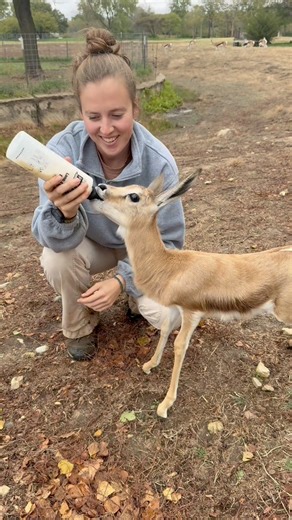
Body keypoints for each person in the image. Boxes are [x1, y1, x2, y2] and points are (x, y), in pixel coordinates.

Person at [32, 28, 185, 361]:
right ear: (80, 113)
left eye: (117, 115)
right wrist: (65, 213)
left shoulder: (159, 164)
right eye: (93, 117)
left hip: (142, 251)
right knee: (57, 259)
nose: (106, 129)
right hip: (90, 244)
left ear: (135, 108)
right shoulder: (61, 152)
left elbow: (171, 241)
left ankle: (135, 298)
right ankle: (80, 324)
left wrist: (122, 281)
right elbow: (47, 236)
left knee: (170, 317)